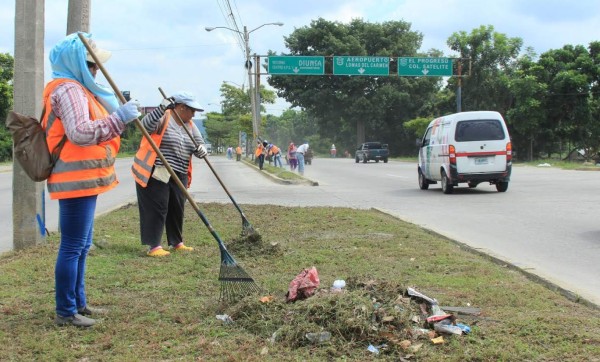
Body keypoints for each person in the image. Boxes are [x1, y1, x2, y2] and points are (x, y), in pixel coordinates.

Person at [44, 33, 141, 327]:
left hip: (85, 177)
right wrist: (119, 119)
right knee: (73, 246)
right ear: (79, 64)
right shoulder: (70, 89)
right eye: (92, 65)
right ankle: (66, 311)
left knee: (82, 245)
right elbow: (80, 133)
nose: (96, 70)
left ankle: (79, 304)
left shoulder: (74, 89)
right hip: (76, 178)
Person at [131, 91, 207, 257]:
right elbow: (145, 126)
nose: (193, 114)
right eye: (191, 110)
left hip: (179, 171)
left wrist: (201, 150)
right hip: (158, 171)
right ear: (180, 108)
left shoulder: (191, 126)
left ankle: (177, 242)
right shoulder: (164, 117)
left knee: (177, 206)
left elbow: (199, 145)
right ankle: (154, 246)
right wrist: (160, 108)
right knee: (158, 206)